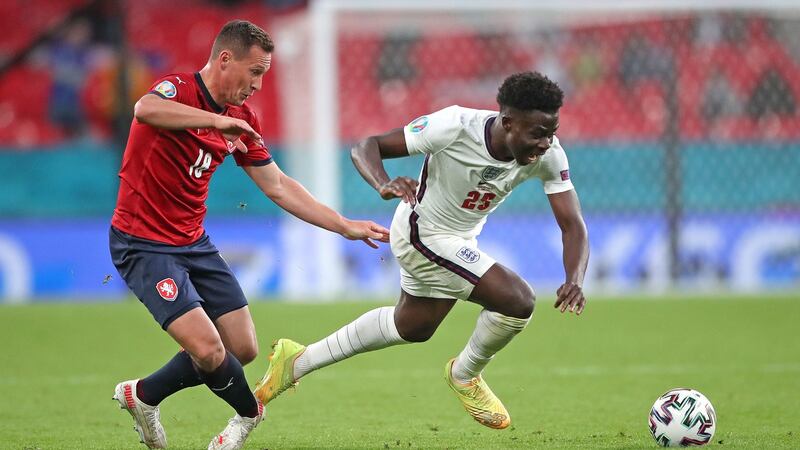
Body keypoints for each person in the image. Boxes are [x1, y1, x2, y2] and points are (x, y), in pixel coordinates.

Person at [109, 20, 389, 450]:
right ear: (225, 59)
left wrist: (344, 225)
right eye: (254, 71)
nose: (258, 84)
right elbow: (144, 110)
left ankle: (142, 396)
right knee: (207, 350)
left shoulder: (241, 117)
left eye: (264, 74)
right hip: (143, 243)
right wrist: (213, 124)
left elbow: (277, 185)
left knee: (241, 347)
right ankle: (249, 413)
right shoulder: (177, 90)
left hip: (192, 241)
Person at [254, 71, 589, 429]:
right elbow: (366, 146)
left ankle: (296, 361)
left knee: (413, 326)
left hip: (458, 240)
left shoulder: (550, 154)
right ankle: (465, 375)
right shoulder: (455, 126)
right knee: (518, 300)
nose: (545, 143)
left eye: (551, 133)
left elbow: (572, 224)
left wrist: (575, 278)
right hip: (421, 232)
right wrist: (383, 184)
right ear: (508, 122)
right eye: (537, 133)